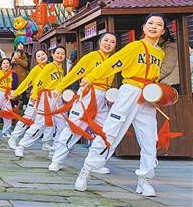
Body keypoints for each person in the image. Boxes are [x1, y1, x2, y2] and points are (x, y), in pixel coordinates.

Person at [75, 14, 167, 196]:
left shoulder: (160, 53)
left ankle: (144, 180)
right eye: (150, 23)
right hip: (130, 91)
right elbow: (112, 63)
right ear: (144, 27)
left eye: (159, 24)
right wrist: (91, 77)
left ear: (163, 31)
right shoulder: (134, 46)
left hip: (148, 96)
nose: (154, 26)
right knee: (110, 131)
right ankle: (87, 170)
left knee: (150, 138)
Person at [48, 32, 117, 173]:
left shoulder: (114, 60)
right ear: (99, 42)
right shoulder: (91, 57)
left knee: (106, 130)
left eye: (112, 42)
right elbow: (75, 73)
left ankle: (95, 163)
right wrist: (60, 87)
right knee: (74, 127)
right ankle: (57, 160)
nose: (108, 44)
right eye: (106, 40)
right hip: (87, 94)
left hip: (103, 97)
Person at [12, 46, 67, 158]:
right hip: (47, 97)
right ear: (52, 54)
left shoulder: (60, 68)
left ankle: (54, 148)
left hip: (58, 99)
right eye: (58, 53)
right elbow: (39, 82)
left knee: (62, 125)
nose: (60, 55)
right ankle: (21, 145)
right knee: (40, 124)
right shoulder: (49, 67)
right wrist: (34, 95)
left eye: (62, 53)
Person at [7, 49, 49, 150]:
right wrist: (16, 92)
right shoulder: (36, 69)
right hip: (36, 97)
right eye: (38, 56)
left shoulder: (50, 67)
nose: (42, 57)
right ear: (36, 60)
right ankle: (13, 137)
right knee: (27, 118)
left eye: (43, 54)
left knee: (49, 120)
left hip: (49, 98)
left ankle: (46, 142)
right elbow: (27, 82)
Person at [0, 57, 15, 138]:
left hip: (7, 94)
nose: (5, 65)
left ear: (10, 65)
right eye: (4, 63)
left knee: (8, 113)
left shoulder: (10, 74)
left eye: (7, 63)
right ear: (1, 65)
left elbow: (10, 85)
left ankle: (6, 131)